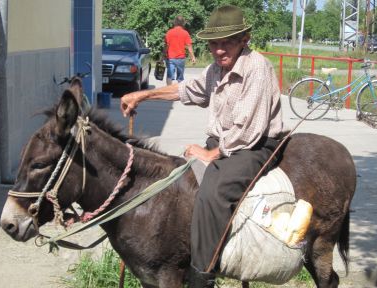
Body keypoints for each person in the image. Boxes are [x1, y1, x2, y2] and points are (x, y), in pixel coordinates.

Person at [121, 5, 284, 288]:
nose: (219, 50)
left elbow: (248, 129)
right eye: (214, 44)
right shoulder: (215, 70)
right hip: (226, 140)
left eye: (227, 43)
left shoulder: (256, 68)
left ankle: (202, 275)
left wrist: (211, 153)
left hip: (254, 145)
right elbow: (185, 90)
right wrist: (143, 95)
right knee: (175, 183)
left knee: (214, 192)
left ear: (244, 39)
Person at [164, 15, 196, 85]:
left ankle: (168, 92)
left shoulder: (169, 32)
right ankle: (180, 93)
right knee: (180, 78)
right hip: (180, 59)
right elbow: (189, 46)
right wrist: (192, 57)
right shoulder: (185, 33)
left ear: (174, 22)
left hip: (170, 58)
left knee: (169, 76)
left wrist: (162, 56)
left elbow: (166, 46)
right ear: (183, 23)